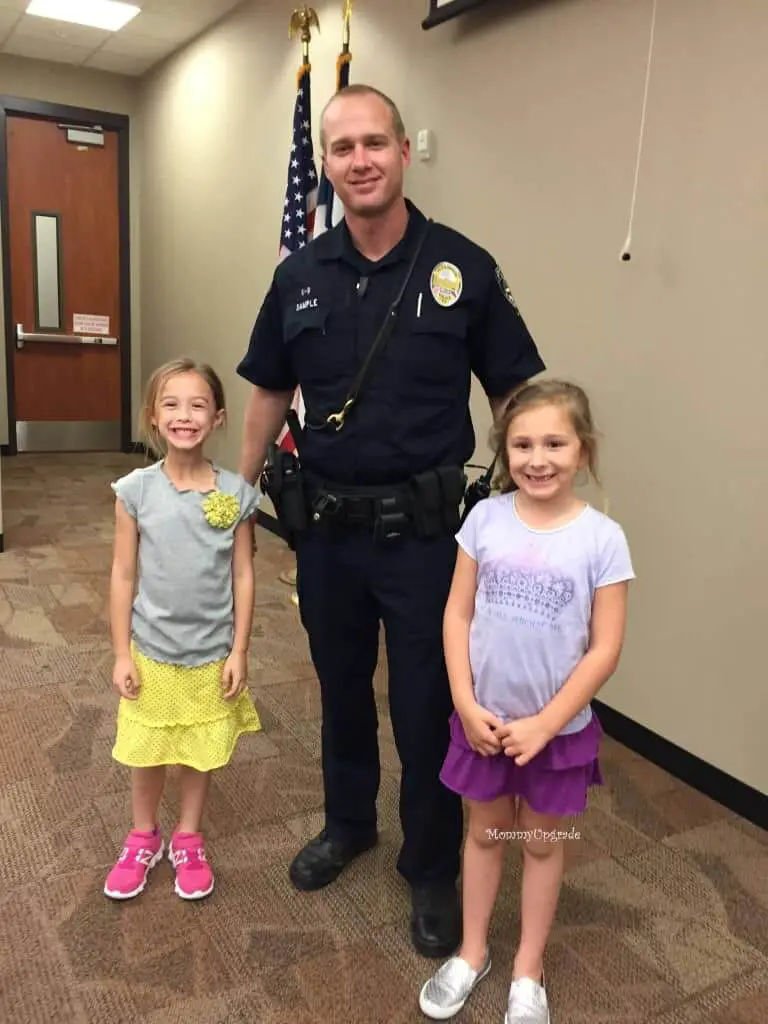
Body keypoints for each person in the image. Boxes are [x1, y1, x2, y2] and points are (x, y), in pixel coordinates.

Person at [235, 83, 546, 958]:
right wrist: (237, 493)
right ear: (326, 166)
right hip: (326, 532)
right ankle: (348, 824)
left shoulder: (463, 268)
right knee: (340, 691)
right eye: (342, 148)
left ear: (405, 152)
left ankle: (431, 865)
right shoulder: (298, 276)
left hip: (426, 539)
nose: (360, 160)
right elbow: (266, 390)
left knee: (425, 705)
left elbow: (515, 386)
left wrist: (534, 489)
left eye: (376, 142)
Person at [418, 379, 635, 1022]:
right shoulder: (484, 519)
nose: (537, 458)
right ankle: (473, 950)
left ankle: (527, 968)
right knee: (485, 834)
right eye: (522, 444)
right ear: (503, 450)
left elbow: (604, 649)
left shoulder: (603, 539)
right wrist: (463, 699)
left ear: (583, 450)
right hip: (483, 720)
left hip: (556, 734)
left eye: (554, 443)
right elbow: (456, 616)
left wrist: (546, 723)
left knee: (541, 843)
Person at [104, 357, 263, 903]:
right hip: (151, 650)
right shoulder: (136, 490)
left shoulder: (235, 494)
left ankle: (188, 835)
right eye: (171, 404)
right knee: (147, 749)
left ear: (217, 417)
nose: (184, 416)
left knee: (199, 748)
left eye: (198, 405)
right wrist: (121, 652)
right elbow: (124, 573)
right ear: (153, 416)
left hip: (210, 654)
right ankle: (143, 834)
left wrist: (239, 649)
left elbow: (243, 574)